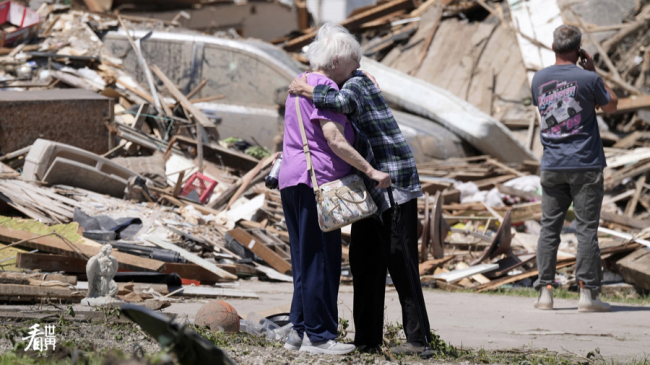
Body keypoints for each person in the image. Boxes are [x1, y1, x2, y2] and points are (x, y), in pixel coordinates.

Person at [288, 24, 431, 355]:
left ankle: (418, 341)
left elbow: (342, 101)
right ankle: (367, 339)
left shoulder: (358, 81)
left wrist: (307, 90)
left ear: (336, 61)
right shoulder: (347, 78)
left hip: (393, 183)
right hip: (370, 187)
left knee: (401, 260)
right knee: (365, 260)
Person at [279, 23, 390, 355]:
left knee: (303, 259)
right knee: (321, 260)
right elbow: (334, 139)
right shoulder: (325, 86)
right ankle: (319, 336)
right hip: (318, 183)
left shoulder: (301, 84)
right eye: (354, 64)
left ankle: (298, 331)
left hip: (292, 179)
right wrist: (370, 170)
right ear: (338, 60)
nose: (356, 71)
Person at [530, 25, 618, 312]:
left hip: (552, 165)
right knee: (586, 230)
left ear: (553, 47)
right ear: (579, 49)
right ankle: (587, 296)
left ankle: (545, 294)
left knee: (549, 229)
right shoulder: (588, 78)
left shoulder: (539, 78)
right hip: (585, 165)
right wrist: (594, 71)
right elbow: (612, 106)